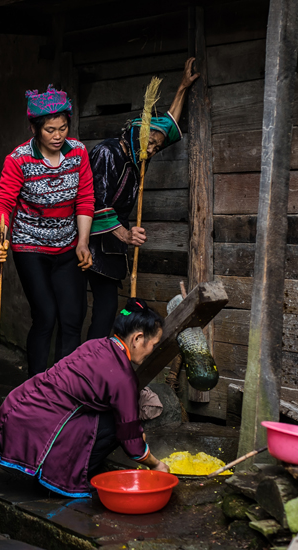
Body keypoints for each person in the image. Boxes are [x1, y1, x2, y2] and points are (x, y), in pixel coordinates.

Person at [0, 298, 171, 498]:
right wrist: (156, 463)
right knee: (115, 427)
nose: (152, 351)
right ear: (137, 338)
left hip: (17, 407)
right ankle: (63, 475)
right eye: (154, 344)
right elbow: (131, 441)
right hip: (36, 424)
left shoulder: (98, 344)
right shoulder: (123, 378)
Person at [86, 58, 200, 340]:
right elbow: (96, 202)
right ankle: (81, 373)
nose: (151, 150)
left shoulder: (139, 156)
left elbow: (168, 128)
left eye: (156, 146)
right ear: (137, 131)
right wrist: (125, 234)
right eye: (148, 142)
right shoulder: (108, 152)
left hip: (110, 245)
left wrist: (182, 89)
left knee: (106, 311)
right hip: (88, 240)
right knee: (78, 312)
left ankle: (97, 370)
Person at [0, 85, 95, 375]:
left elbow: (85, 199)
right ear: (35, 128)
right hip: (30, 247)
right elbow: (3, 205)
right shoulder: (19, 159)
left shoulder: (78, 153)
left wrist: (83, 243)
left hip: (67, 246)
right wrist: (1, 239)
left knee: (73, 317)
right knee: (46, 316)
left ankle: (65, 388)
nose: (57, 136)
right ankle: (36, 390)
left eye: (63, 128)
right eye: (50, 130)